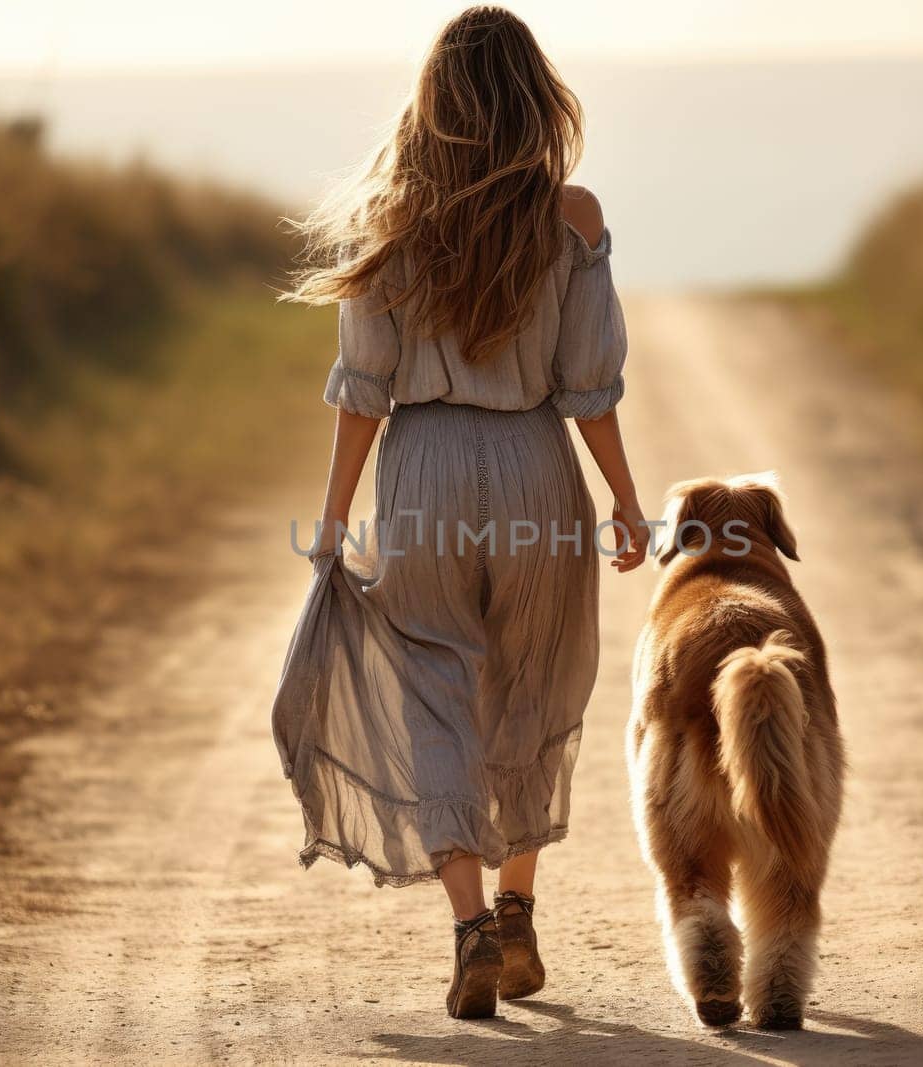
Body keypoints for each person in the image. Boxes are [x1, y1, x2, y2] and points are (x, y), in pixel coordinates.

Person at [272, 5, 646, 1019]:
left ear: (432, 102)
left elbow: (363, 389)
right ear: (536, 97)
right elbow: (588, 385)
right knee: (532, 683)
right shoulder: (570, 216)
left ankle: (472, 926)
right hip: (533, 461)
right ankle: (520, 912)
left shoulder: (390, 220)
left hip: (424, 468)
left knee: (434, 690)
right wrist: (623, 499)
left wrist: (335, 520)